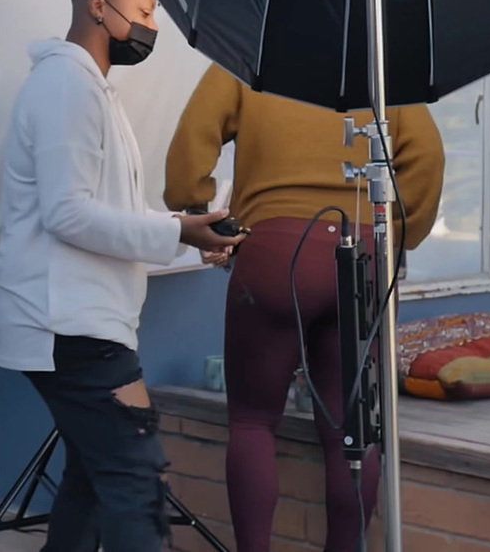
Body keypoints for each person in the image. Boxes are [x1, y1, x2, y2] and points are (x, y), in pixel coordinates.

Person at [0, 0, 246, 552]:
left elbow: (111, 218)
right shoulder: (67, 88)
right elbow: (68, 214)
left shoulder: (92, 91)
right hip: (68, 325)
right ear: (98, 5)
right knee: (135, 476)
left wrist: (193, 244)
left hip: (83, 318)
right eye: (146, 7)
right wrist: (179, 231)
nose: (153, 25)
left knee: (93, 480)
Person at [164, 65, 445, 552]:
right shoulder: (378, 65)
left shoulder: (250, 59)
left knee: (253, 422)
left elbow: (192, 144)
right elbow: (428, 158)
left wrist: (199, 208)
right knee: (353, 430)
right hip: (364, 256)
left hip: (274, 252)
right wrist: (400, 236)